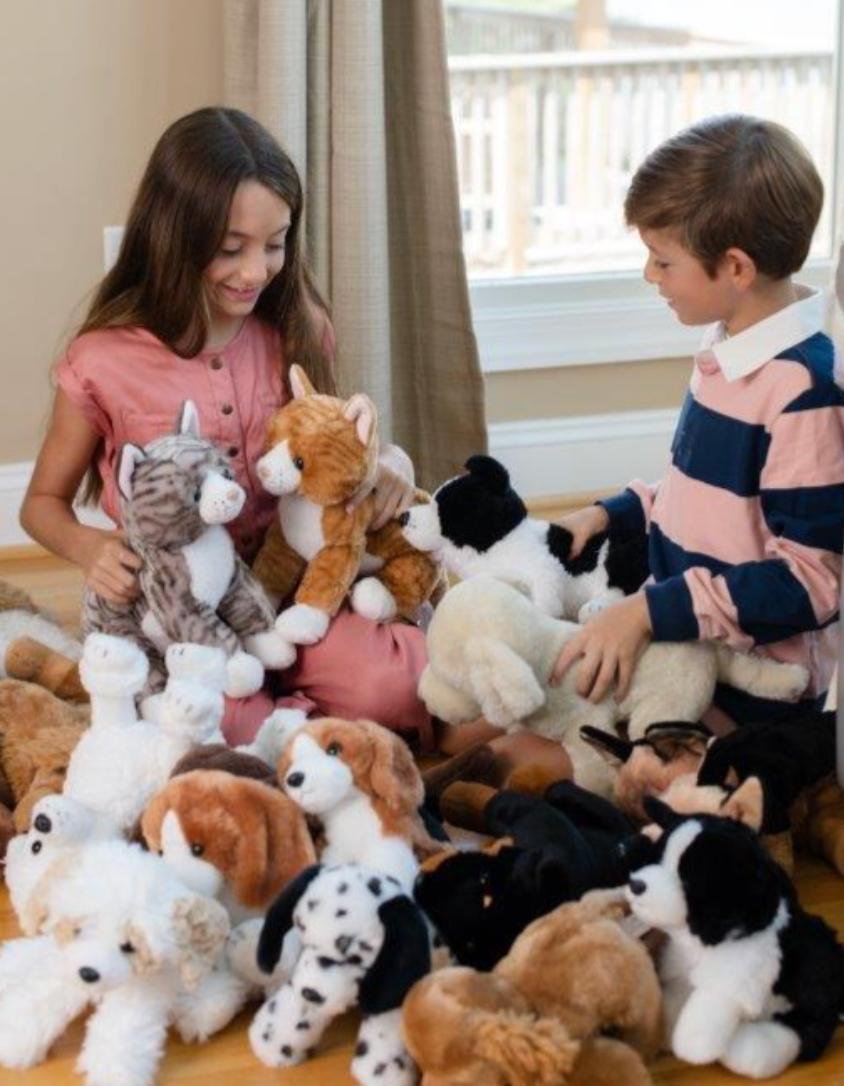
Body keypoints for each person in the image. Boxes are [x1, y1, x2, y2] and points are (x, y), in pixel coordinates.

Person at [21, 105, 571, 779]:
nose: (256, 271)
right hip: (190, 611)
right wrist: (89, 547)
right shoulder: (101, 359)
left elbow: (339, 447)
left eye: (275, 243)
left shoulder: (296, 326)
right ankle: (339, 742)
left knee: (391, 685)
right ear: (172, 233)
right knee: (224, 729)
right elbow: (41, 502)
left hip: (301, 586)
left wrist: (388, 467)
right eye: (230, 248)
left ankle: (338, 723)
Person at [554, 114, 844, 731]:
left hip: (757, 691)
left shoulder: (804, 393)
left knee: (561, 744)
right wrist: (611, 513)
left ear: (736, 268)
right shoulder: (731, 344)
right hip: (689, 637)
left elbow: (812, 584)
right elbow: (710, 502)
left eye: (663, 262)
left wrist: (649, 613)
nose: (649, 277)